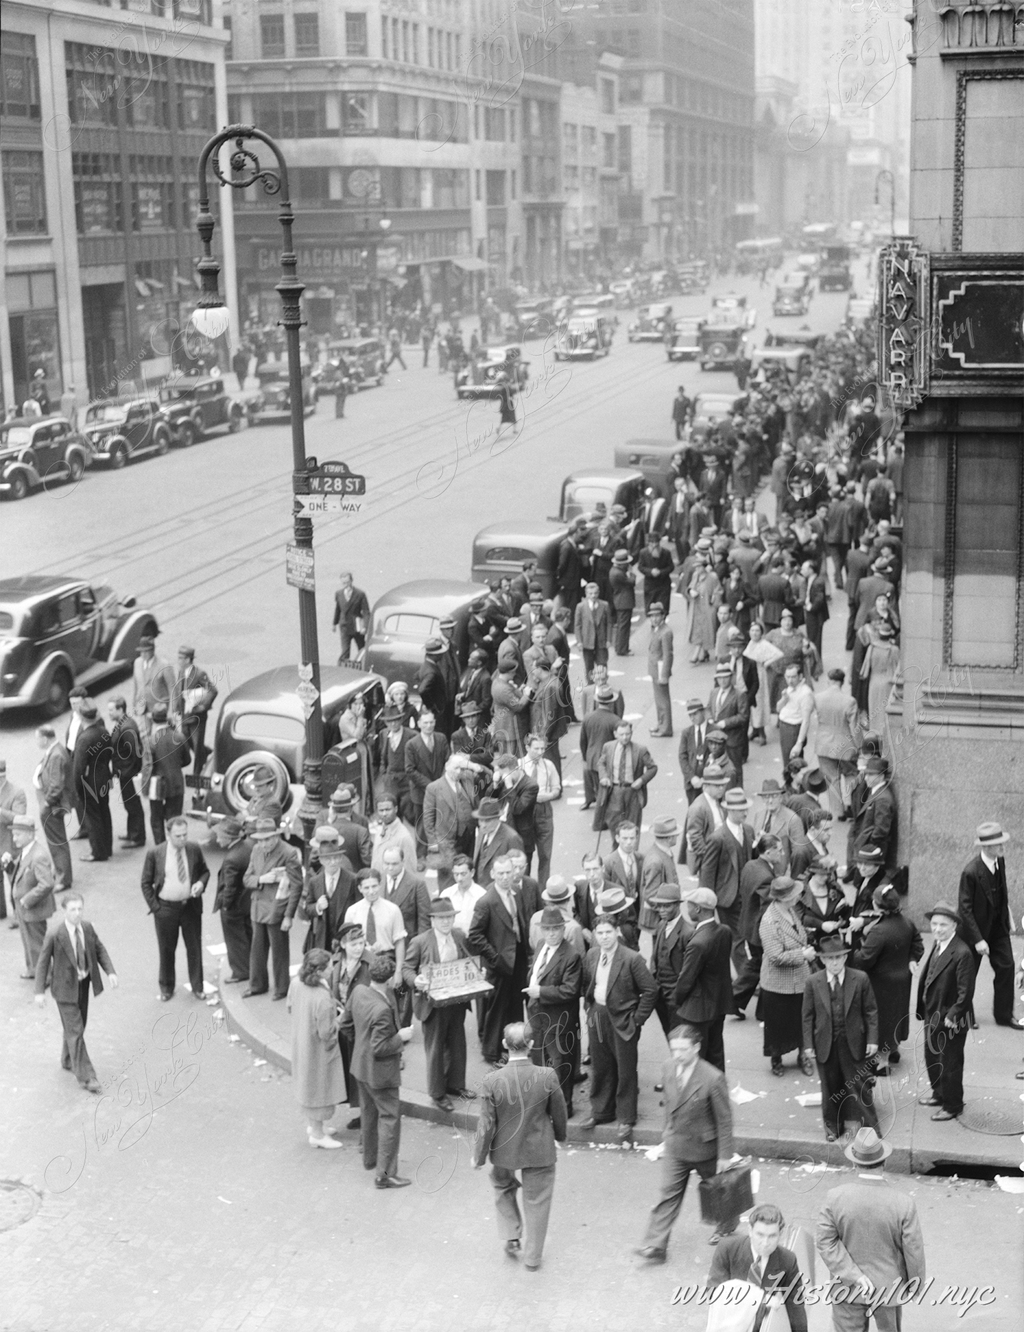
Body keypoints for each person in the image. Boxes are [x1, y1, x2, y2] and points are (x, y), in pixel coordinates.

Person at [635, 1023, 739, 1261]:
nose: (678, 1055)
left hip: (706, 1150)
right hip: (676, 1147)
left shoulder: (713, 1078)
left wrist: (725, 1156)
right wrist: (666, 1133)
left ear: (696, 1048)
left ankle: (727, 1226)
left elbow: (724, 1120)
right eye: (674, 1049)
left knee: (717, 1193)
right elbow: (670, 1104)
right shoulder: (668, 1067)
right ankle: (655, 1246)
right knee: (668, 1195)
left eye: (683, 1049)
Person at [473, 1021, 567, 1271]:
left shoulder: (492, 1080)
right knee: (537, 1200)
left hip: (504, 1151)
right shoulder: (546, 1075)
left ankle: (511, 1233)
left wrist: (479, 1157)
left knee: (501, 1184)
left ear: (505, 1045)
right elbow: (559, 1111)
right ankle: (533, 1258)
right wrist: (560, 1136)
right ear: (532, 1045)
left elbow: (487, 1123)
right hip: (540, 1150)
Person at [816, 1127, 926, 1332]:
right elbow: (914, 1250)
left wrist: (853, 1274)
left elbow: (825, 1241)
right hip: (889, 1288)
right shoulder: (903, 1204)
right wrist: (915, 1285)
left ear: (855, 1162)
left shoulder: (835, 1197)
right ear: (884, 1161)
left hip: (847, 1288)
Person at [579, 914, 658, 1141]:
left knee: (625, 1069)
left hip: (624, 1019)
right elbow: (588, 982)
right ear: (595, 935)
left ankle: (626, 1118)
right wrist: (589, 1007)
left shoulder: (632, 958)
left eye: (608, 932)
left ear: (617, 933)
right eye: (600, 933)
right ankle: (601, 1112)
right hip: (598, 1015)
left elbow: (650, 991)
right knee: (600, 1065)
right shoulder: (593, 955)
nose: (604, 937)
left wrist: (637, 1020)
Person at [33, 891, 117, 1094]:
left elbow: (99, 949)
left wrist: (110, 972)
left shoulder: (87, 928)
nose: (77, 913)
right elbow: (43, 963)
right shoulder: (55, 934)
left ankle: (68, 1058)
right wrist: (39, 991)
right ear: (64, 911)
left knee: (78, 1027)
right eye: (73, 909)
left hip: (83, 986)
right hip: (63, 990)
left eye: (80, 909)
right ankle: (88, 1077)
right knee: (76, 1030)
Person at [339, 952, 410, 1188]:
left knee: (369, 1114)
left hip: (360, 1067)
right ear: (389, 980)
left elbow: (345, 1024)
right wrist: (401, 1037)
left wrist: (361, 1045)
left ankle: (370, 1158)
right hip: (381, 1074)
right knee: (389, 1118)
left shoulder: (359, 991)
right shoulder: (381, 1009)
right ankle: (385, 1174)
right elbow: (381, 1047)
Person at [802, 936, 879, 1141]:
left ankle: (870, 1127)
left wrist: (872, 1039)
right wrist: (808, 1045)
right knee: (830, 1086)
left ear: (845, 958)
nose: (835, 963)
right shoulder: (813, 981)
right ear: (823, 961)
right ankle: (833, 1127)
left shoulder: (860, 978)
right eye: (830, 959)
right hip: (825, 1042)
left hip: (853, 1041)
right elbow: (807, 1016)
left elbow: (870, 1011)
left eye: (838, 957)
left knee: (859, 1083)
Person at [403, 897, 475, 1112]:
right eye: (441, 918)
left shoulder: (459, 935)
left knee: (457, 1044)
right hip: (432, 1004)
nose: (446, 922)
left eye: (449, 917)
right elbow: (407, 968)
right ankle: (437, 1093)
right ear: (433, 920)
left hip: (456, 1001)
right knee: (435, 1050)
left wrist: (477, 973)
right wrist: (416, 980)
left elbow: (469, 960)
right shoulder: (420, 942)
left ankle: (455, 1085)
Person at [851, 885, 924, 1075]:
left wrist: (855, 950)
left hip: (880, 982)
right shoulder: (907, 922)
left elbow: (865, 960)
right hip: (902, 980)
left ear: (877, 905)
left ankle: (881, 1064)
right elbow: (918, 944)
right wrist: (912, 959)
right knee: (897, 1015)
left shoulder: (879, 931)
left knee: (881, 1020)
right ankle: (893, 1049)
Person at [916, 900, 976, 1122]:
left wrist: (953, 1016)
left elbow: (965, 991)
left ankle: (953, 1105)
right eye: (934, 924)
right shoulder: (939, 944)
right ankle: (939, 1094)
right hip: (933, 1014)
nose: (937, 929)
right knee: (932, 1056)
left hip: (950, 1019)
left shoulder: (962, 953)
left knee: (950, 1062)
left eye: (943, 925)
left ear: (954, 925)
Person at [469, 853, 531, 1065]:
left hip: (518, 960)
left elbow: (521, 922)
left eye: (508, 872)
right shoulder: (486, 902)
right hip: (499, 964)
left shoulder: (517, 892)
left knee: (515, 1006)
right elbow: (475, 935)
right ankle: (492, 1053)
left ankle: (516, 1045)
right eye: (501, 873)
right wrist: (493, 957)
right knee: (496, 1010)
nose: (505, 877)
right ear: (492, 874)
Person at [706, 1202, 809, 1332]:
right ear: (750, 1230)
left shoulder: (787, 1260)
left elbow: (795, 1307)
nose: (765, 1243)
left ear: (780, 1233)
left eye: (772, 1236)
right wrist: (759, 1297)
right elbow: (714, 1293)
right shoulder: (727, 1248)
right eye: (760, 1235)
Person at [957, 822, 1020, 1029]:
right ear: (985, 847)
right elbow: (964, 909)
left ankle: (1004, 1015)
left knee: (1007, 966)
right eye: (998, 844)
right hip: (974, 931)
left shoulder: (999, 861)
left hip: (997, 928)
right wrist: (978, 940)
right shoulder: (971, 872)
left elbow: (1001, 893)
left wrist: (1007, 915)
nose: (1002, 846)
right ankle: (966, 1016)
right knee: (969, 974)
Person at [140, 815, 209, 1001]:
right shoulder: (155, 853)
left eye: (185, 834)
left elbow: (205, 871)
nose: (183, 839)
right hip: (166, 909)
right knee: (166, 950)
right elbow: (146, 883)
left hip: (190, 907)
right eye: (178, 836)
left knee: (194, 948)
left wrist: (201, 884)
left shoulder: (193, 849)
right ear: (168, 834)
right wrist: (156, 908)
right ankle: (166, 987)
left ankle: (198, 986)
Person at [524, 906, 582, 1117]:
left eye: (555, 929)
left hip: (559, 1018)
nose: (551, 933)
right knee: (539, 1060)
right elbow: (535, 972)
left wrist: (540, 991)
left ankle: (563, 1108)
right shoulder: (541, 945)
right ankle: (544, 1104)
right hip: (537, 1014)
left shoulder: (571, 955)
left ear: (562, 929)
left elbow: (570, 990)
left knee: (559, 1064)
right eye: (547, 929)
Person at [287, 948, 347, 1149]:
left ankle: (314, 1127)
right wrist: (339, 1019)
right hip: (318, 1052)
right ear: (320, 971)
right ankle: (318, 1134)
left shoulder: (296, 983)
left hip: (302, 1043)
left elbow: (290, 1007)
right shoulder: (321, 998)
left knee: (307, 1086)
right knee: (320, 1089)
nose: (332, 968)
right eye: (329, 966)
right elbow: (327, 1034)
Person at [759, 877, 816, 1077]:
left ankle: (803, 1056)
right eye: (794, 894)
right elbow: (775, 956)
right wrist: (803, 955)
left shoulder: (791, 910)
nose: (798, 896)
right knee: (778, 1024)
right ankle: (777, 1059)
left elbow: (795, 934)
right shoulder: (768, 921)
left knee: (801, 1020)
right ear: (783, 898)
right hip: (778, 984)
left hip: (799, 979)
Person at [242, 817, 303, 1000]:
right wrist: (261, 879)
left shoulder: (289, 852)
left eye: (267, 839)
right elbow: (247, 879)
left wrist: (288, 916)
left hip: (278, 908)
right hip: (258, 907)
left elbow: (297, 885)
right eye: (260, 839)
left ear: (276, 836)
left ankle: (282, 988)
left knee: (279, 952)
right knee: (257, 951)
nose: (264, 843)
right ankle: (257, 985)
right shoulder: (256, 850)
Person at [673, 887, 733, 1072]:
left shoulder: (698, 943)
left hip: (697, 1010)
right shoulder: (724, 931)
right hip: (718, 1003)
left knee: (695, 1061)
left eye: (689, 906)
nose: (687, 910)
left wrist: (677, 1000)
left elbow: (686, 980)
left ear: (698, 909)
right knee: (716, 1053)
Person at [700, 788, 754, 951]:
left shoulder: (749, 831)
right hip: (727, 899)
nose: (745, 813)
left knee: (747, 935)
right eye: (740, 810)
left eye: (746, 808)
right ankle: (746, 975)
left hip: (746, 896)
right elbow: (707, 871)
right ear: (729, 810)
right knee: (737, 940)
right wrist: (708, 902)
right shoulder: (717, 838)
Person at [330, 922, 370, 1129]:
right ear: (343, 945)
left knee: (363, 1073)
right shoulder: (336, 962)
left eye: (361, 943)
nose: (358, 948)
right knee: (349, 1072)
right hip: (344, 1028)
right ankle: (362, 1111)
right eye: (354, 944)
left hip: (363, 1028)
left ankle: (368, 1115)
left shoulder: (370, 963)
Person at [8, 815, 56, 979]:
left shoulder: (38, 855)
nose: (14, 839)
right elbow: (21, 873)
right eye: (14, 835)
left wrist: (27, 900)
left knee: (38, 942)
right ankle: (33, 969)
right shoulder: (26, 851)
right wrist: (9, 866)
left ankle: (45, 975)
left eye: (18, 835)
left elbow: (47, 884)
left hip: (33, 907)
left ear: (29, 834)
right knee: (28, 940)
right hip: (24, 908)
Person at [594, 719, 657, 836]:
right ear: (615, 734)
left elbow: (652, 768)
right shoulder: (608, 747)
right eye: (621, 734)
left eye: (627, 734)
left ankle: (632, 851)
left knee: (633, 826)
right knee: (615, 825)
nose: (625, 738)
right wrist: (604, 777)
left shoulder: (640, 750)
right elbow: (601, 763)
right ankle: (616, 850)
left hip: (632, 792)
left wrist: (641, 780)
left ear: (631, 733)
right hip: (615, 791)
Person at [211, 816, 253, 983]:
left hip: (234, 907)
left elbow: (230, 888)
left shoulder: (231, 859)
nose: (217, 839)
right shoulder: (247, 847)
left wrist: (225, 906)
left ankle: (240, 971)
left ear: (228, 837)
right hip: (247, 902)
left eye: (220, 835)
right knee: (247, 936)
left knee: (235, 940)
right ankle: (250, 967)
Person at [815, 669, 861, 820]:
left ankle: (838, 812)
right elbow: (854, 727)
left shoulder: (818, 698)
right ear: (842, 682)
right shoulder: (849, 701)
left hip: (824, 744)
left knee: (831, 778)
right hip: (845, 745)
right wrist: (859, 746)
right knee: (851, 775)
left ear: (829, 680)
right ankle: (851, 806)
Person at [33, 726, 73, 891]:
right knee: (56, 841)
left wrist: (47, 803)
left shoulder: (56, 755)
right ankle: (61, 873)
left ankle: (63, 878)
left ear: (44, 738)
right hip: (52, 804)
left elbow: (56, 785)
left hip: (52, 806)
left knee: (57, 843)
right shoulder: (55, 750)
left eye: (37, 738)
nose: (36, 742)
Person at [141, 704, 188, 846]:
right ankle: (175, 844)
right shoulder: (179, 736)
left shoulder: (150, 741)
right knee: (174, 818)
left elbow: (147, 768)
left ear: (154, 720)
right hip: (176, 783)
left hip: (157, 786)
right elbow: (187, 760)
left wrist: (145, 788)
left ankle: (161, 847)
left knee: (156, 819)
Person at [299, 836, 356, 954]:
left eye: (336, 858)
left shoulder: (352, 879)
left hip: (344, 937)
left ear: (341, 858)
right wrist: (317, 907)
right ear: (321, 860)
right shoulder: (314, 881)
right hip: (322, 938)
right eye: (328, 859)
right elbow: (308, 909)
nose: (333, 862)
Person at [72, 699, 112, 863]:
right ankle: (107, 847)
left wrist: (77, 787)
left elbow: (78, 768)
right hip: (103, 776)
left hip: (89, 781)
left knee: (92, 818)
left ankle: (97, 852)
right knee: (104, 812)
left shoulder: (84, 738)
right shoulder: (103, 731)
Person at [105, 697, 145, 849]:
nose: (109, 713)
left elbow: (136, 752)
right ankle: (132, 833)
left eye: (111, 710)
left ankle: (137, 837)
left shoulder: (127, 728)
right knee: (129, 804)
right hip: (124, 772)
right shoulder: (122, 723)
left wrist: (133, 771)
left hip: (128, 773)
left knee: (133, 805)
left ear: (120, 709)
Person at [707, 662, 749, 789]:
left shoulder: (739, 694)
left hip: (732, 738)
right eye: (720, 678)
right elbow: (709, 708)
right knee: (717, 764)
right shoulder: (714, 692)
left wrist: (725, 723)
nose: (723, 680)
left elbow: (743, 716)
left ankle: (738, 790)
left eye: (725, 677)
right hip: (717, 738)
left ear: (731, 678)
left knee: (735, 767)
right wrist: (709, 718)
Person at [131, 635, 175, 742]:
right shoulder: (137, 663)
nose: (143, 654)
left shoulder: (164, 665)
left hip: (160, 710)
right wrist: (134, 704)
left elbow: (173, 689)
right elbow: (135, 685)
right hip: (143, 708)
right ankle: (150, 758)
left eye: (146, 651)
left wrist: (171, 711)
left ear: (153, 650)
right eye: (141, 651)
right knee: (145, 738)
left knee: (162, 738)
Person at [646, 602, 674, 738]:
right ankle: (661, 722)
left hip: (660, 670)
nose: (654, 619)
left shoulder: (666, 632)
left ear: (663, 616)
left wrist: (664, 674)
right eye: (652, 616)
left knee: (663, 700)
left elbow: (668, 655)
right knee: (658, 700)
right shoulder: (655, 629)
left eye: (657, 615)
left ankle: (666, 728)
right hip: (654, 670)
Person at [332, 572, 371, 663]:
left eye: (347, 582)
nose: (346, 585)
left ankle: (363, 666)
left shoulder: (360, 594)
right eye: (343, 583)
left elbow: (366, 611)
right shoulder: (339, 594)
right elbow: (338, 609)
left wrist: (365, 626)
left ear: (351, 581)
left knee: (361, 648)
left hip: (356, 626)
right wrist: (335, 623)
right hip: (344, 626)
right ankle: (343, 669)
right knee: (345, 650)